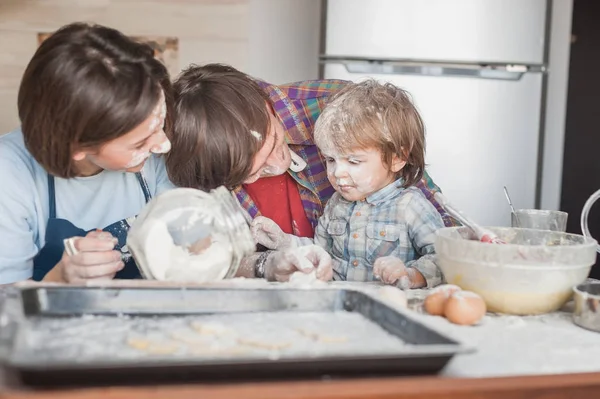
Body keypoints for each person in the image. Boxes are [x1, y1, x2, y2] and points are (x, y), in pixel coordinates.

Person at [166, 64, 457, 282]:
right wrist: (276, 252)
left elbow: (447, 234)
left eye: (269, 150)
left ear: (268, 107)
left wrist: (424, 273)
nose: (271, 170)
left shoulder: (342, 110)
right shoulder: (195, 159)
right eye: (245, 176)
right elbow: (198, 259)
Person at [0, 22, 175, 285]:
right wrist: (60, 279)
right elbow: (6, 304)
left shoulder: (155, 157)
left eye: (160, 125)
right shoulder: (9, 174)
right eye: (139, 143)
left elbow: (190, 246)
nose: (164, 145)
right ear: (77, 145)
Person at [251, 80, 445, 289]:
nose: (337, 173)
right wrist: (284, 242)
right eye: (330, 160)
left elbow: (443, 258)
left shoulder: (410, 206)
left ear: (397, 158)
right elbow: (320, 250)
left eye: (353, 161)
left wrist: (411, 274)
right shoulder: (337, 204)